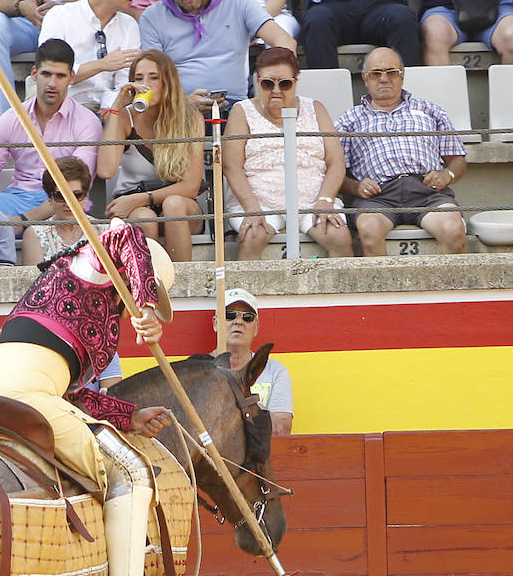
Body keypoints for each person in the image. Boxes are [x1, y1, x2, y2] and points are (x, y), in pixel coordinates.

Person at [0, 219, 188, 576]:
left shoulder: (58, 285)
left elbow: (69, 396)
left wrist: (127, 415)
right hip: (22, 393)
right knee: (133, 475)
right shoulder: (94, 268)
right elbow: (125, 233)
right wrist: (148, 308)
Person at [223, 46, 352, 260]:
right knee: (252, 236)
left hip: (312, 201)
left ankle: (336, 294)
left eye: (284, 84)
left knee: (340, 237)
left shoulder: (316, 108)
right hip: (258, 201)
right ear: (257, 81)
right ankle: (246, 293)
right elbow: (231, 166)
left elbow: (336, 161)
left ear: (295, 82)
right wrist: (252, 207)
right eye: (267, 83)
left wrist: (326, 200)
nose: (276, 90)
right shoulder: (241, 111)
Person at [336, 46, 466, 255]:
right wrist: (355, 186)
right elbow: (335, 171)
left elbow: (457, 160)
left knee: (454, 229)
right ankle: (385, 288)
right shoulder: (348, 121)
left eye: (391, 72)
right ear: (365, 78)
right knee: (369, 230)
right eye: (376, 74)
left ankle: (446, 288)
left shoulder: (429, 110)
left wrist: (446, 175)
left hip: (427, 192)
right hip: (378, 197)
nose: (384, 79)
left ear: (402, 75)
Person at [138, 0, 294, 112]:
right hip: (177, 110)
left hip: (235, 106)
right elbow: (151, 76)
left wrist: (273, 83)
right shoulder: (152, 17)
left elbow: (284, 41)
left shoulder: (238, 0)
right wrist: (182, 102)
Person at [0, 38, 103, 223]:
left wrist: (21, 221)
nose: (52, 83)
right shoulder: (12, 118)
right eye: (46, 74)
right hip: (17, 199)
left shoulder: (87, 122)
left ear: (72, 77)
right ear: (35, 74)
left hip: (65, 207)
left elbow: (75, 189)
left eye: (60, 76)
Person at [97, 49, 206, 262]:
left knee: (173, 205)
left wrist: (143, 198)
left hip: (177, 204)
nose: (145, 83)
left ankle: (180, 286)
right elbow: (106, 170)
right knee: (145, 218)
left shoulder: (191, 118)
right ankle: (146, 286)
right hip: (132, 202)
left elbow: (191, 187)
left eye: (153, 77)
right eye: (139, 78)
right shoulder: (125, 115)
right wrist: (116, 109)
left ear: (168, 82)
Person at [38, 0, 143, 111]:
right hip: (63, 105)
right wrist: (102, 65)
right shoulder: (59, 17)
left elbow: (125, 83)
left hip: (108, 109)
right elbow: (51, 72)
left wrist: (108, 109)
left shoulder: (129, 25)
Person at [216, 288, 292, 434]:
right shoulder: (199, 369)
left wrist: (246, 407)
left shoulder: (275, 371)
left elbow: (283, 429)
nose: (238, 321)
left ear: (256, 327)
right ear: (215, 323)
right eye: (230, 315)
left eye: (247, 317)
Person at [21, 155, 97, 266]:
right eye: (60, 196)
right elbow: (34, 281)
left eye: (77, 195)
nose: (69, 203)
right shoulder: (35, 234)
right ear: (50, 198)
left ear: (85, 197)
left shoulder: (103, 231)